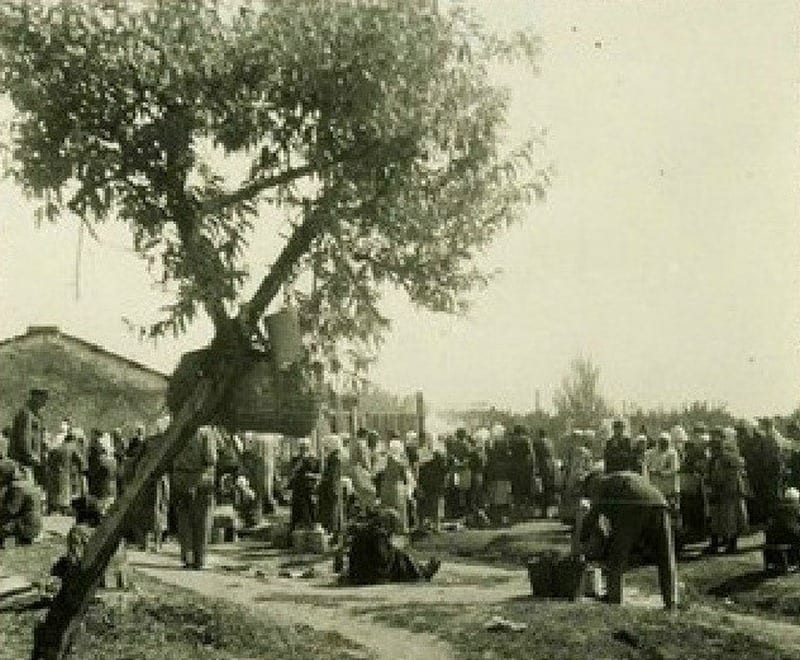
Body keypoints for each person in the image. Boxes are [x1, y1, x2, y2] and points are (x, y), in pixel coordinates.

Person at [578, 471, 678, 610]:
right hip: (659, 503)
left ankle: (614, 597)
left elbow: (593, 516)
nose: (590, 496)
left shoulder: (600, 484)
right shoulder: (622, 477)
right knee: (665, 555)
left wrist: (582, 538)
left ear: (591, 483)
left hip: (633, 505)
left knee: (617, 554)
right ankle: (671, 600)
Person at [345, 507, 440, 584]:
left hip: (356, 574)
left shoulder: (365, 530)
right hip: (371, 576)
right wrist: (393, 550)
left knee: (399, 555)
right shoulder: (378, 533)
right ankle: (421, 573)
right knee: (401, 555)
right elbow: (382, 558)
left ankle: (421, 571)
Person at [172, 425, 217, 569]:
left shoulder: (177, 428)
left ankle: (187, 557)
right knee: (202, 520)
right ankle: (200, 559)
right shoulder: (205, 432)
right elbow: (211, 458)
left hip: (180, 477)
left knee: (184, 519)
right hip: (200, 478)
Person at [706, 427, 748, 554]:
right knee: (718, 519)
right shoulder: (716, 459)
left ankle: (731, 544)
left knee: (731, 519)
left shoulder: (728, 457)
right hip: (721, 492)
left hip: (730, 492)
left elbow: (726, 476)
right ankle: (718, 543)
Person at [10, 387, 48, 485]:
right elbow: (24, 437)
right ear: (35, 397)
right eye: (43, 398)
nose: (44, 402)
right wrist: (30, 455)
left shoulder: (37, 416)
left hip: (34, 460)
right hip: (24, 461)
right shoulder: (26, 414)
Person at [0, 465, 43, 547]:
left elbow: (11, 510)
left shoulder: (16, 487)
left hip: (27, 526)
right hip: (34, 524)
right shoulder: (27, 483)